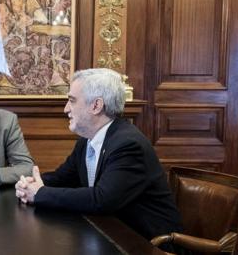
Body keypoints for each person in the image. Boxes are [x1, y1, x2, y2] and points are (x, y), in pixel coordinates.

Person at [15, 68, 183, 246]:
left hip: (147, 244)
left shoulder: (128, 144)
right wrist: (29, 184)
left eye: (72, 100)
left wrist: (40, 194)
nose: (66, 109)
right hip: (109, 236)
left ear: (96, 105)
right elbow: (61, 178)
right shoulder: (87, 141)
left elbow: (102, 199)